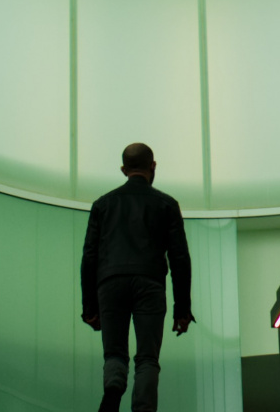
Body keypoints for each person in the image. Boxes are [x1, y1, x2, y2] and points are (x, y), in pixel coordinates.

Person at [82, 143, 194, 412]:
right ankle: (143, 408)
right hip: (150, 283)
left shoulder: (102, 204)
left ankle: (113, 388)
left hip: (110, 283)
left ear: (124, 169)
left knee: (114, 352)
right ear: (153, 166)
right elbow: (180, 259)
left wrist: (89, 308)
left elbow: (89, 258)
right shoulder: (167, 204)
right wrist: (182, 309)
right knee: (147, 358)